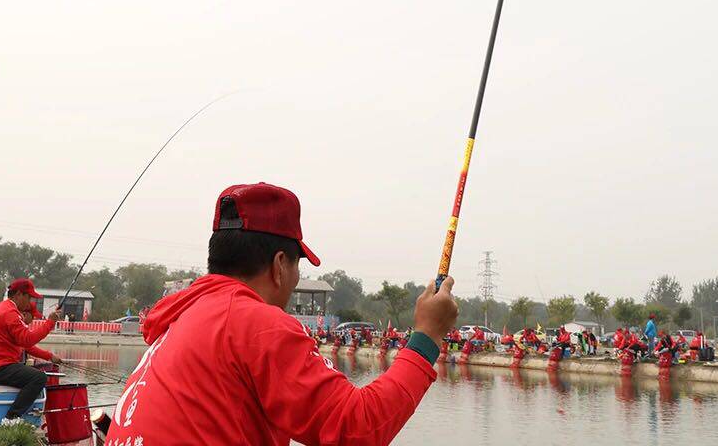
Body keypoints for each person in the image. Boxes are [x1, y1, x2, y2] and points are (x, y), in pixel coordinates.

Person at [104, 182, 458, 446]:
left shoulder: (180, 318)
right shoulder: (254, 323)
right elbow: (356, 427)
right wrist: (427, 336)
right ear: (279, 265)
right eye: (297, 266)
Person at [0, 279, 60, 425]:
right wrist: (50, 322)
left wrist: (50, 356)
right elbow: (27, 340)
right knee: (39, 378)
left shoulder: (3, 308)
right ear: (19, 294)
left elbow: (23, 344)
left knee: (30, 376)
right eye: (29, 297)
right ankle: (11, 418)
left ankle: (6, 414)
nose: (30, 302)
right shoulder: (9, 312)